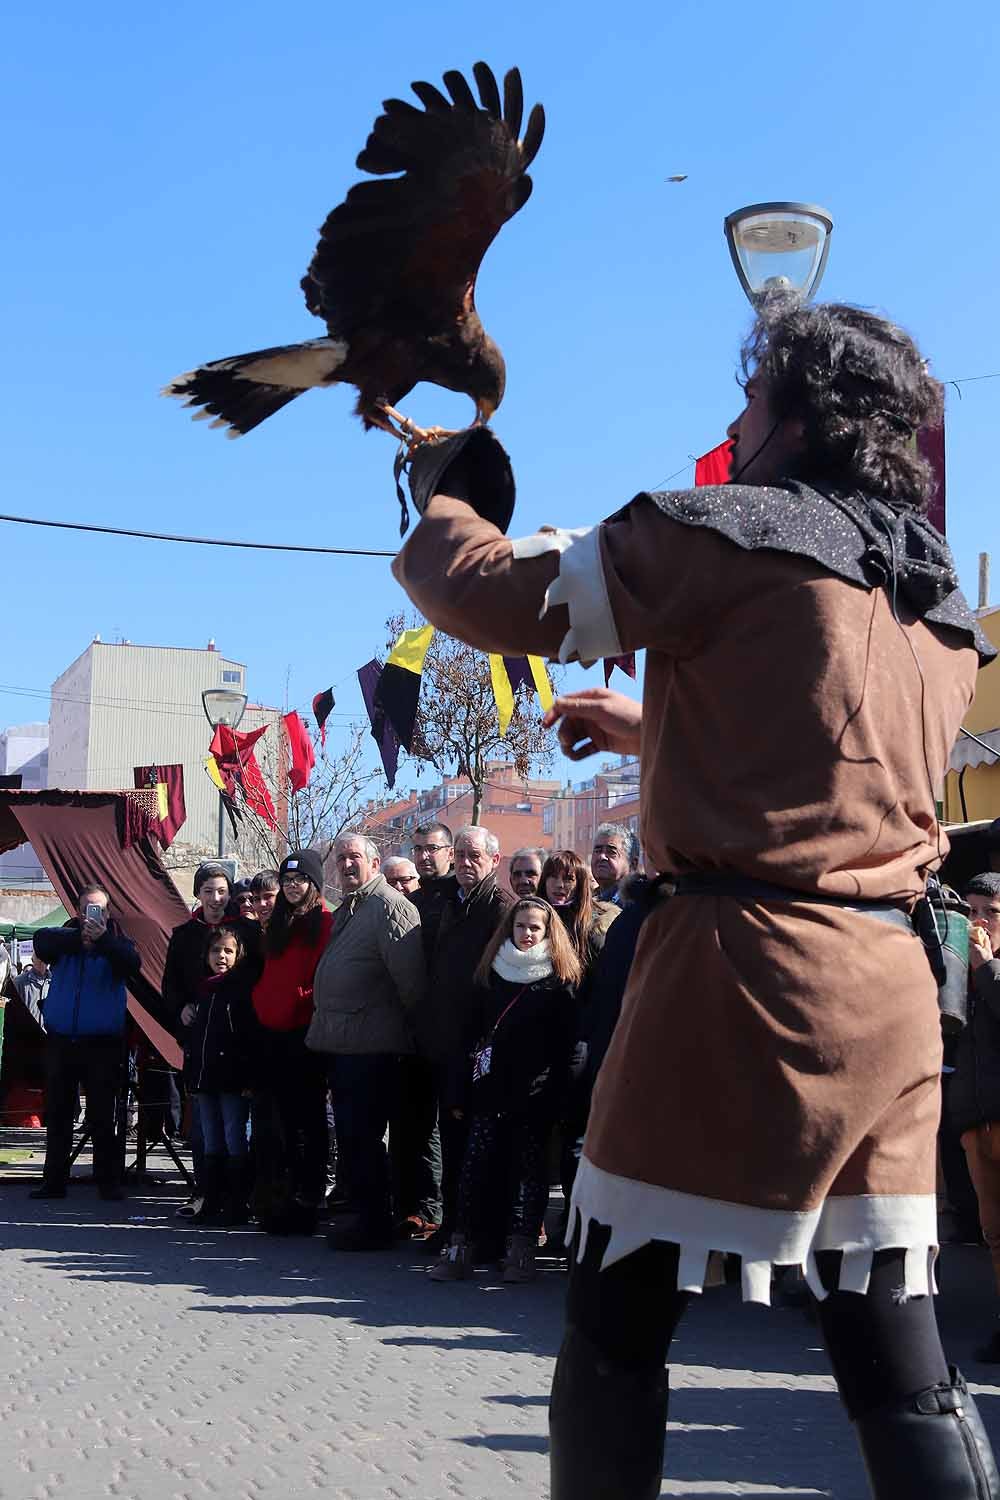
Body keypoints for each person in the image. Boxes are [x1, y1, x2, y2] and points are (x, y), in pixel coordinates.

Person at [392, 299, 1000, 1496]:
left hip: (735, 981)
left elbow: (486, 594)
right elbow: (832, 762)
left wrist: (444, 496)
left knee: (615, 1337)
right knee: (902, 1367)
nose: (730, 422)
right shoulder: (939, 607)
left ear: (794, 419)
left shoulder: (729, 536)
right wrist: (658, 722)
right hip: (885, 995)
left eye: (750, 400)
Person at [430, 896, 580, 1284]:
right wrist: (460, 1091)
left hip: (535, 1095)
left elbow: (567, 1047)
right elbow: (470, 1037)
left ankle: (521, 1248)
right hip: (489, 1092)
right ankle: (461, 1246)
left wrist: (560, 1095)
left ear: (548, 933)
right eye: (520, 926)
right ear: (509, 929)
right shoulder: (489, 973)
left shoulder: (559, 980)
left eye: (535, 928)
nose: (527, 934)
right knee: (473, 1169)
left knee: (529, 1174)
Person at [307, 834, 425, 1251]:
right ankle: (362, 1216)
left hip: (373, 1047)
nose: (347, 864)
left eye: (354, 857)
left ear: (375, 863)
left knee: (364, 1139)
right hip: (346, 1045)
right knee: (354, 1139)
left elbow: (412, 985)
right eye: (341, 858)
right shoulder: (352, 908)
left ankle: (373, 1223)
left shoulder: (389, 908)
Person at [418, 824, 512, 1252]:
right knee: (453, 1138)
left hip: (480, 1044)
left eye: (475, 856)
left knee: (481, 1143)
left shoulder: (500, 908)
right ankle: (455, 1225)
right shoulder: (451, 901)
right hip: (448, 1041)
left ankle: (481, 1232)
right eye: (460, 855)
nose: (465, 863)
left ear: (494, 860)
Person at [30, 888, 140, 1202]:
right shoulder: (63, 939)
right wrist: (81, 939)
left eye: (100, 910)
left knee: (103, 1115)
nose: (93, 916)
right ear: (78, 912)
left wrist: (102, 941)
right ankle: (53, 1181)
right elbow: (41, 941)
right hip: (62, 1040)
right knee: (59, 1113)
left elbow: (132, 962)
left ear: (108, 914)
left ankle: (108, 1182)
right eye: (88, 909)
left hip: (102, 1043)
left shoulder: (118, 945)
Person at [163, 862, 256, 1218]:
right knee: (203, 1130)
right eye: (208, 891)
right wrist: (180, 1011)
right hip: (199, 1040)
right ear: (197, 894)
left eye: (222, 891)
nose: (216, 899)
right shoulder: (186, 934)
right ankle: (204, 1193)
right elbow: (170, 984)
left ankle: (237, 1198)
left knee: (234, 1128)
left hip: (233, 1044)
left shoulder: (245, 930)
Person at [251, 849, 333, 1234]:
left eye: (299, 881)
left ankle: (309, 1197)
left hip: (305, 1035)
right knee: (279, 1123)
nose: (292, 887)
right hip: (272, 1036)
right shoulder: (278, 924)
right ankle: (281, 1196)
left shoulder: (326, 923)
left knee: (308, 1123)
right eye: (287, 881)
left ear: (313, 884)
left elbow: (319, 978)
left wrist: (300, 1002)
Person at [950, 873, 1000, 1360]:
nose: (979, 922)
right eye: (972, 912)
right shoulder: (962, 968)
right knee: (993, 1235)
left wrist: (986, 969)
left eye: (989, 912)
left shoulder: (989, 968)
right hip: (975, 1121)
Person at [180, 924, 256, 1225]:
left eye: (228, 950)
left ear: (238, 955)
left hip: (232, 1079)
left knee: (235, 1138)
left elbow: (248, 1038)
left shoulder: (241, 990)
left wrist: (248, 1077)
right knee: (211, 1141)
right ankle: (212, 1201)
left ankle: (238, 1204)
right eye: (216, 950)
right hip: (204, 1078)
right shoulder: (203, 990)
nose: (221, 956)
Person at [591, 824, 638, 906]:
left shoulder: (637, 903)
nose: (602, 856)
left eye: (611, 852)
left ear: (632, 864)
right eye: (597, 851)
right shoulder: (584, 901)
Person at [14, 952, 49, 1029]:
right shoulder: (19, 982)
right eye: (39, 959)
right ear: (33, 960)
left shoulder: (55, 982)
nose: (42, 962)